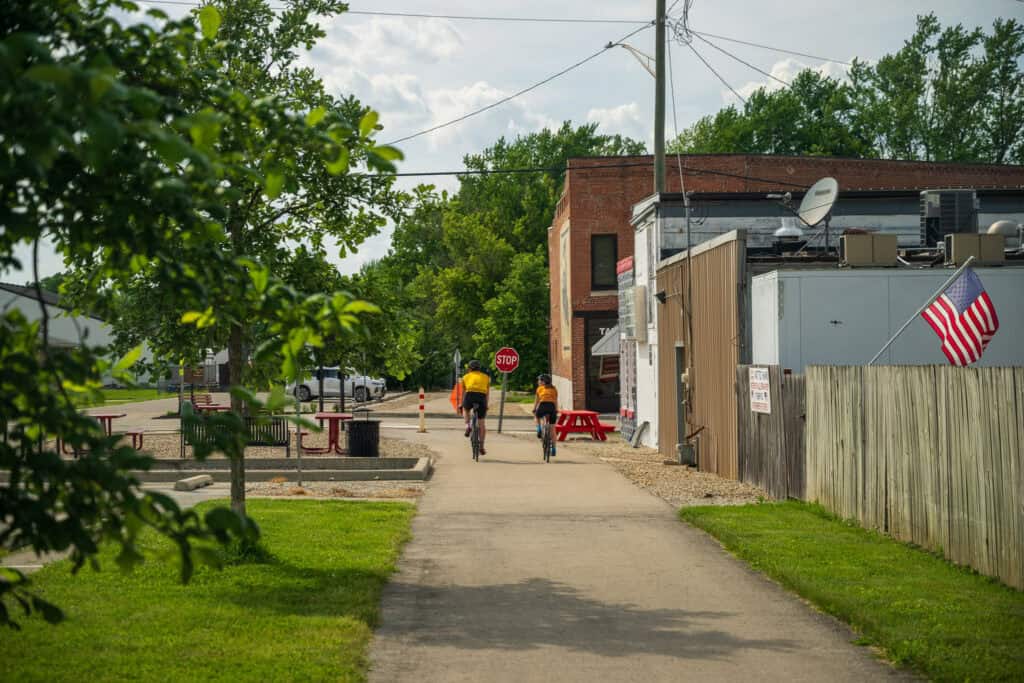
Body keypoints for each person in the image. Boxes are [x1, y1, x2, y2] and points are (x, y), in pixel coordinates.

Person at [460, 359, 491, 455]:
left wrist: (462, 404)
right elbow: (487, 393)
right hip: (481, 397)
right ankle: (481, 447)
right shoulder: (486, 377)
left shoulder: (465, 377)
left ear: (469, 369)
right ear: (479, 368)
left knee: (465, 409)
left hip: (469, 395)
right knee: (481, 423)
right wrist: (486, 405)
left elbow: (463, 393)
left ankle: (468, 426)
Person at [533, 373, 558, 456]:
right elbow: (555, 401)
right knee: (552, 428)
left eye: (539, 380)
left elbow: (537, 401)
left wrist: (534, 409)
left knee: (536, 416)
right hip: (551, 407)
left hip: (543, 406)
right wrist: (556, 410)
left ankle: (539, 428)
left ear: (543, 382)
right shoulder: (554, 389)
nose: (538, 381)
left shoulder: (539, 389)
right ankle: (554, 448)